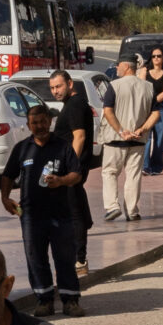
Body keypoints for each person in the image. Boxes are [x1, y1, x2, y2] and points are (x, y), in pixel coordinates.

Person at [0, 104, 84, 317]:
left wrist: (61, 180)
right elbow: (8, 175)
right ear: (29, 125)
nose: (40, 126)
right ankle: (44, 300)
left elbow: (77, 175)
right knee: (35, 257)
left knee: (64, 257)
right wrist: (5, 198)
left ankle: (70, 300)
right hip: (30, 215)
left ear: (49, 121)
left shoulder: (63, 146)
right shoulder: (22, 148)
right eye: (35, 123)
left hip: (61, 214)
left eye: (43, 122)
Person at [98, 56, 156, 223]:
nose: (116, 68)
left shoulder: (114, 85)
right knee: (134, 175)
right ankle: (131, 211)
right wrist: (142, 129)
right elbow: (155, 113)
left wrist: (121, 131)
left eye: (118, 65)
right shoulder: (148, 87)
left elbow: (108, 111)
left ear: (126, 67)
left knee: (110, 172)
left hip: (115, 139)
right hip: (138, 139)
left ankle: (112, 207)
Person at [48, 70, 96, 269]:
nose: (55, 91)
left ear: (69, 84)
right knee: (77, 208)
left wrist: (72, 167)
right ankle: (79, 254)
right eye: (52, 88)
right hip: (69, 168)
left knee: (74, 212)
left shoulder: (75, 104)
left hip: (71, 170)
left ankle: (79, 258)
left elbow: (79, 137)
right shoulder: (71, 104)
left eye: (58, 86)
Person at [139, 46, 163, 177]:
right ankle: (145, 166)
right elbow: (140, 87)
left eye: (159, 56)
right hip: (146, 109)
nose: (156, 58)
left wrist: (154, 100)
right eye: (154, 56)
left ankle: (156, 167)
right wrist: (148, 103)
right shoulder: (144, 70)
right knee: (146, 137)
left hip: (161, 109)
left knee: (159, 140)